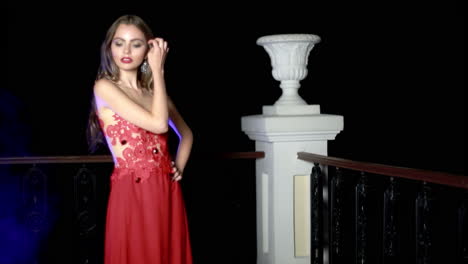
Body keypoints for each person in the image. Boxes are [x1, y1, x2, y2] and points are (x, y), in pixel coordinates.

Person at [86, 14, 193, 264]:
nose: (126, 50)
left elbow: (187, 134)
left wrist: (179, 168)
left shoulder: (155, 94)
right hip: (131, 191)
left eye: (136, 44)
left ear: (148, 49)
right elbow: (158, 124)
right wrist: (158, 69)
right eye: (118, 42)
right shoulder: (104, 87)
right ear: (109, 47)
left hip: (167, 190)